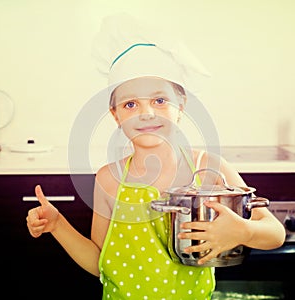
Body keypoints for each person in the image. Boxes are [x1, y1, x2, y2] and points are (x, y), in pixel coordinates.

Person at [26, 14, 285, 300]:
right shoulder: (108, 180)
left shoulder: (209, 168)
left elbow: (275, 233)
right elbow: (100, 264)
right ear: (116, 115)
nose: (146, 113)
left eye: (159, 100)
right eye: (131, 103)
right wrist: (57, 224)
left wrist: (243, 231)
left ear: (181, 105)